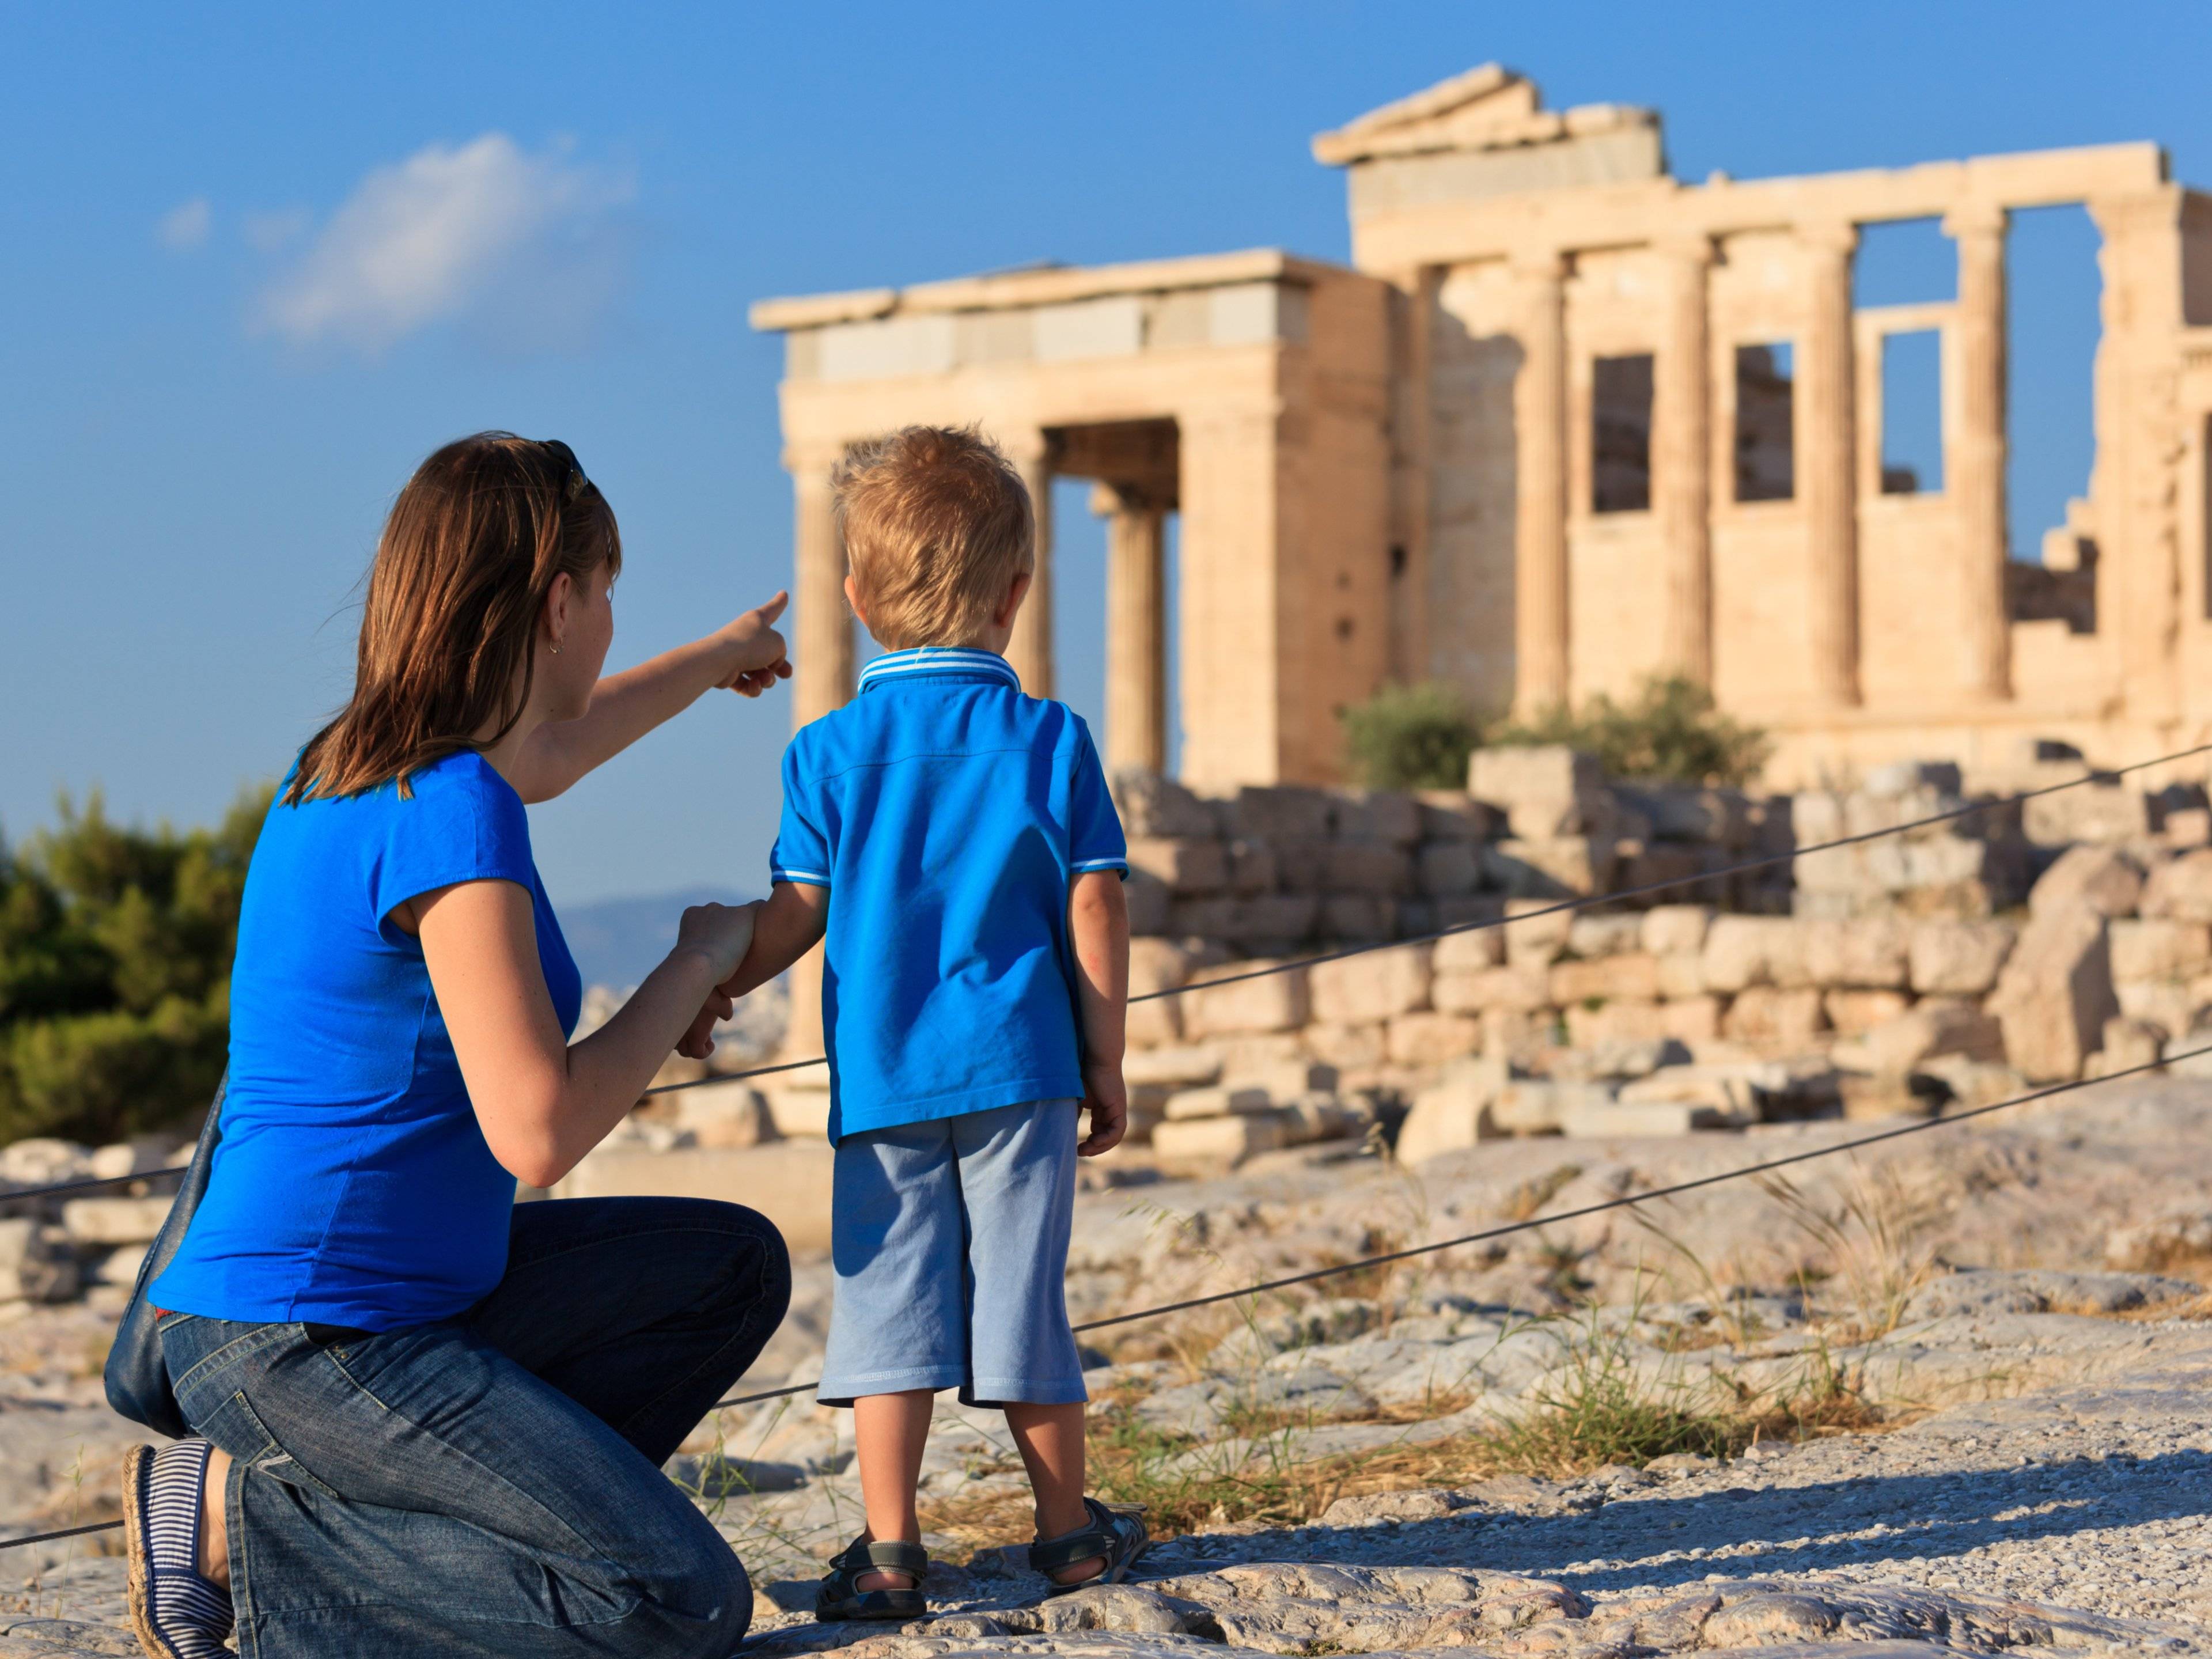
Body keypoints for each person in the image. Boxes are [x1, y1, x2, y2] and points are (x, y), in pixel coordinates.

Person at [121, 433, 796, 1659]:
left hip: (400, 1305)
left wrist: (719, 660)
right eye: (608, 592)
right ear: (559, 602)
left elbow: (548, 753)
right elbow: (538, 1133)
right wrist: (691, 963)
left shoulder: (356, 767)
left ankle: (482, 1541)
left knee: (730, 1266)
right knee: (676, 1603)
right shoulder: (447, 807)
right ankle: (234, 1522)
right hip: (308, 1334)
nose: (608, 622)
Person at [685, 425, 1144, 1623]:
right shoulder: (1052, 741)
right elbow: (1094, 902)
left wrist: (714, 977)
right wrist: (1108, 1056)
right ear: (1017, 592)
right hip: (1024, 1069)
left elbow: (797, 916)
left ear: (855, 595)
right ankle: (1070, 1538)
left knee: (886, 1309)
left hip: (884, 1082)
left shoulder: (825, 753)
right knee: (1025, 1299)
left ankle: (889, 1551)